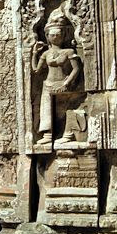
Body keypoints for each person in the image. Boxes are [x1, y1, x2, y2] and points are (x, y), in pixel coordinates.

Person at [30, 9, 81, 145]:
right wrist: (34, 53)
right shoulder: (46, 54)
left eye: (59, 34)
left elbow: (76, 69)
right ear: (47, 36)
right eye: (52, 35)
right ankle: (48, 134)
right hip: (48, 84)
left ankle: (68, 133)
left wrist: (67, 82)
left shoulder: (69, 51)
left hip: (64, 83)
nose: (56, 37)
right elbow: (36, 70)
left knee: (65, 109)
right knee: (46, 109)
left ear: (64, 35)